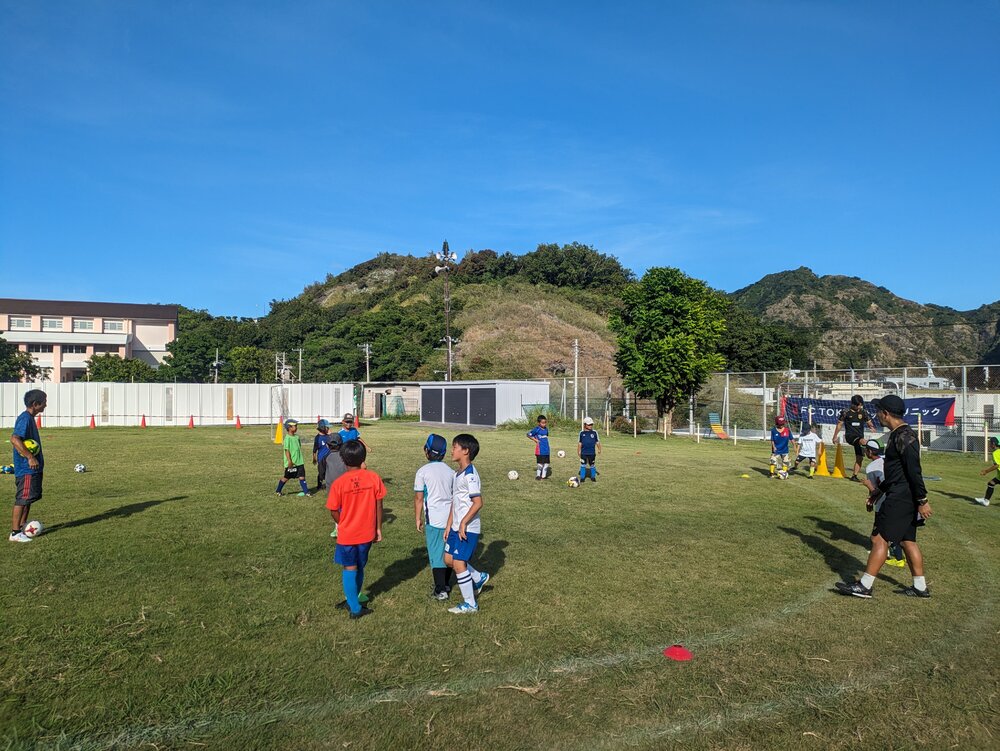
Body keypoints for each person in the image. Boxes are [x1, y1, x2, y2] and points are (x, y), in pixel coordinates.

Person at [836, 395, 933, 599]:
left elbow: (914, 471)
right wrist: (879, 491)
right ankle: (920, 587)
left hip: (902, 496)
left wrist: (922, 500)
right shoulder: (898, 434)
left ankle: (865, 586)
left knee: (879, 538)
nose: (877, 415)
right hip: (900, 492)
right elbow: (896, 472)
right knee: (907, 540)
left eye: (878, 411)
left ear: (886, 413)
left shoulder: (905, 436)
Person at [326, 439, 385, 619]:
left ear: (343, 459)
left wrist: (343, 522)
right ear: (363, 458)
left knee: (350, 567)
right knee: (359, 566)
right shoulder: (373, 477)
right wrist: (378, 528)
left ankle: (354, 607)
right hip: (367, 532)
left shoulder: (339, 483)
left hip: (348, 535)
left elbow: (333, 510)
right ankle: (352, 600)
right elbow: (379, 505)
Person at [444, 433, 490, 614]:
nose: (451, 450)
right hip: (456, 527)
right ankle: (478, 577)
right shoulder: (457, 474)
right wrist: (449, 524)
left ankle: (470, 604)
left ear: (465, 451)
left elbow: (478, 502)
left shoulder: (470, 475)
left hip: (468, 528)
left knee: (458, 563)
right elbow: (455, 502)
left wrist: (463, 522)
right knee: (448, 560)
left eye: (454, 447)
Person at [414, 434, 456, 599]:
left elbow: (419, 498)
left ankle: (441, 590)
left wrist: (418, 518)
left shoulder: (422, 472)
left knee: (436, 553)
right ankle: (446, 583)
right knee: (448, 551)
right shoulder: (451, 472)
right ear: (444, 453)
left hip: (434, 519)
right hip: (451, 519)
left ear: (426, 451)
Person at [860, 439, 906, 568]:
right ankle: (891, 554)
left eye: (866, 449)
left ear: (870, 452)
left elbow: (877, 489)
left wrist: (868, 490)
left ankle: (896, 557)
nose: (865, 451)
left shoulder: (871, 467)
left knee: (878, 535)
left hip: (885, 502)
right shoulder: (890, 461)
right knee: (893, 529)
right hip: (901, 499)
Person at [10, 390, 46, 543]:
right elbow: (14, 439)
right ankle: (15, 533)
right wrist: (30, 457)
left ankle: (22, 526)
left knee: (29, 499)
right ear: (35, 404)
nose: (46, 405)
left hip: (33, 469)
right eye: (44, 402)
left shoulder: (30, 418)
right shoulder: (25, 418)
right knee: (22, 499)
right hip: (26, 469)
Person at [832, 395, 877, 481]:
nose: (859, 407)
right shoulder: (846, 412)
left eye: (861, 405)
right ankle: (874, 453)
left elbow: (869, 422)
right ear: (853, 404)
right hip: (850, 436)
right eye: (858, 405)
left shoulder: (863, 412)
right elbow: (839, 425)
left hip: (860, 438)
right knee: (864, 442)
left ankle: (854, 476)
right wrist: (835, 436)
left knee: (860, 458)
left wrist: (871, 427)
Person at [275, 419, 311, 497]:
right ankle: (278, 490)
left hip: (299, 462)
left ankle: (306, 492)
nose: (296, 427)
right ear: (289, 428)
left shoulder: (297, 437)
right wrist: (289, 461)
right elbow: (287, 450)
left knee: (302, 477)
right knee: (286, 477)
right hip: (291, 463)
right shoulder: (287, 438)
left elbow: (299, 447)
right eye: (295, 426)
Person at [324, 434, 346, 538]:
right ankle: (342, 527)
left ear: (327, 445)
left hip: (332, 488)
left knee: (335, 509)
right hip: (345, 487)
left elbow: (322, 471)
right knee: (345, 507)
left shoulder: (326, 457)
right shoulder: (345, 456)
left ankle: (338, 527)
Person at [974, 435, 999, 506]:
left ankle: (986, 501)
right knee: (991, 483)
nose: (989, 445)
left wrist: (986, 471)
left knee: (991, 483)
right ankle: (986, 500)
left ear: (993, 444)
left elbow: (997, 465)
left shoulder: (995, 453)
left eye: (990, 443)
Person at [577, 417, 601, 483]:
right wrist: (579, 451)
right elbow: (580, 443)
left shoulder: (594, 433)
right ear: (585, 424)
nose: (590, 426)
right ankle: (582, 478)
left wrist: (599, 449)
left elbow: (597, 442)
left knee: (592, 465)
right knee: (583, 465)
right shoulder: (581, 433)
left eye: (591, 424)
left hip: (592, 453)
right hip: (584, 453)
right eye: (589, 424)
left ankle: (593, 477)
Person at [527, 415, 551, 480]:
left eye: (545, 422)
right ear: (539, 423)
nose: (544, 424)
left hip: (547, 449)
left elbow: (545, 437)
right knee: (540, 464)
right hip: (540, 450)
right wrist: (535, 440)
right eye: (542, 423)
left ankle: (543, 476)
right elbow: (528, 434)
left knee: (547, 463)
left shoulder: (546, 429)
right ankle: (538, 475)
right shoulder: (537, 429)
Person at [313, 419, 333, 490]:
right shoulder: (317, 438)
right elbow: (315, 449)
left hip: (329, 457)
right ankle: (319, 485)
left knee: (330, 471)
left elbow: (334, 442)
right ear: (322, 428)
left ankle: (330, 484)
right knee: (321, 472)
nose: (328, 429)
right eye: (327, 427)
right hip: (321, 458)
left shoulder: (329, 436)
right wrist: (314, 458)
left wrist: (331, 435)